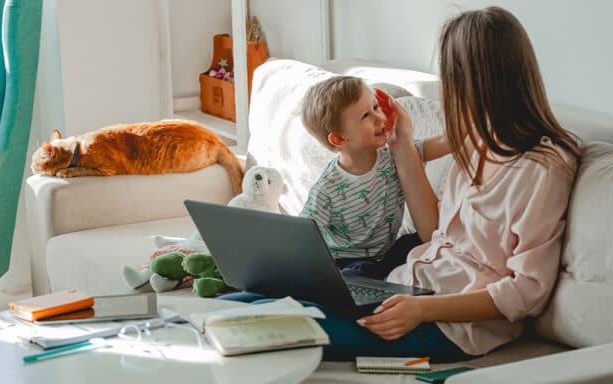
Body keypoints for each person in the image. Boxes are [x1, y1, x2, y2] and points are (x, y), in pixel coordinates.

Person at [222, 6, 580, 362]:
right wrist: (402, 144)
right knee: (235, 304)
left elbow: (527, 291)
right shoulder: (476, 141)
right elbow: (434, 234)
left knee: (253, 326)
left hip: (448, 326)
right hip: (405, 286)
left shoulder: (544, 167)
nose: (450, 91)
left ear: (484, 81)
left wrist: (423, 311)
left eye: (453, 79)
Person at [298, 76, 448, 279]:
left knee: (416, 243)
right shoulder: (328, 188)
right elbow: (302, 234)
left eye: (376, 107)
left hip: (386, 254)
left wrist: (475, 129)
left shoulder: (394, 155)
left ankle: (383, 278)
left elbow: (439, 143)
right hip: (345, 262)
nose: (379, 119)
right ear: (340, 138)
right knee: (357, 272)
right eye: (366, 115)